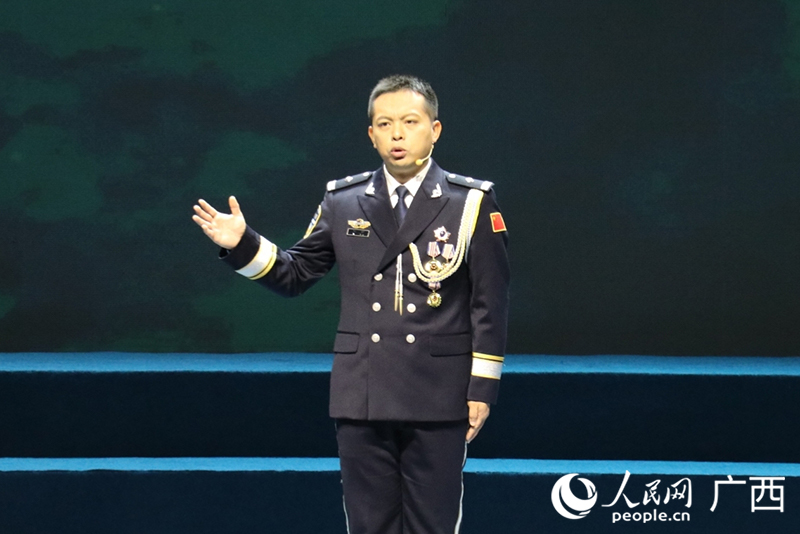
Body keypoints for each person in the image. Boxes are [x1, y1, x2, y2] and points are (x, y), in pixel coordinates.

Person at [192, 75, 510, 534]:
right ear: (371, 134)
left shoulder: (471, 202)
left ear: (435, 130)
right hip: (362, 391)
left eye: (410, 122)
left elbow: (489, 302)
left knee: (433, 525)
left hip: (438, 391)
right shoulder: (343, 200)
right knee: (368, 525)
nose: (397, 134)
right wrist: (242, 243)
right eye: (385, 124)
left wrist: (481, 389)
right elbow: (294, 275)